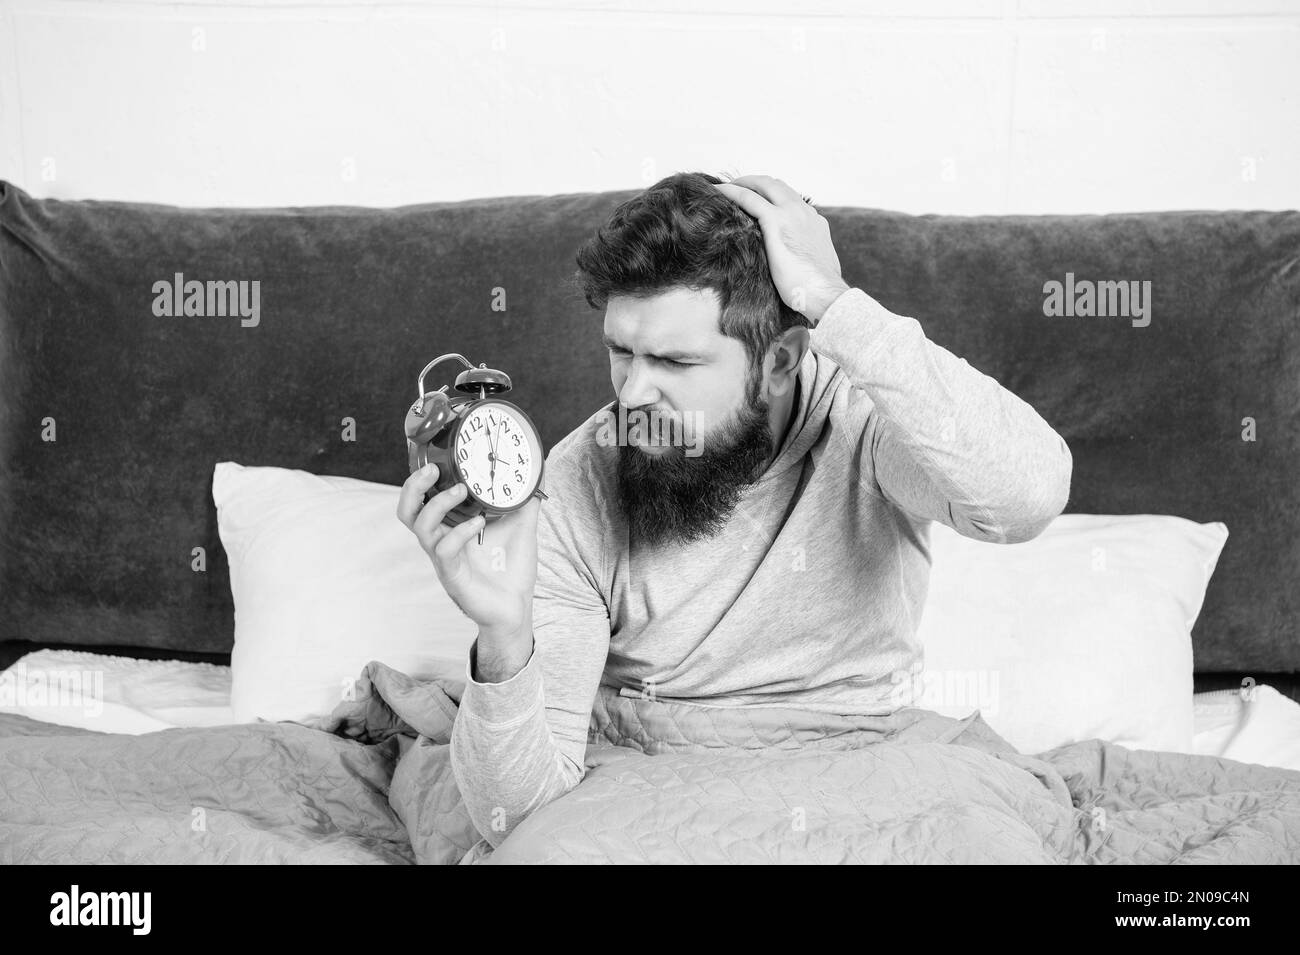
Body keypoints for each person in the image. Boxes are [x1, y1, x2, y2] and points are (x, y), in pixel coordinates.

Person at [396, 172, 1073, 851]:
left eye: (673, 360)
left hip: (862, 767)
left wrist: (835, 304)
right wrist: (505, 635)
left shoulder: (869, 429)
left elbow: (1029, 494)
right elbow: (515, 812)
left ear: (780, 361)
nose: (633, 394)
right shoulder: (573, 485)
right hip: (648, 781)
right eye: (619, 351)